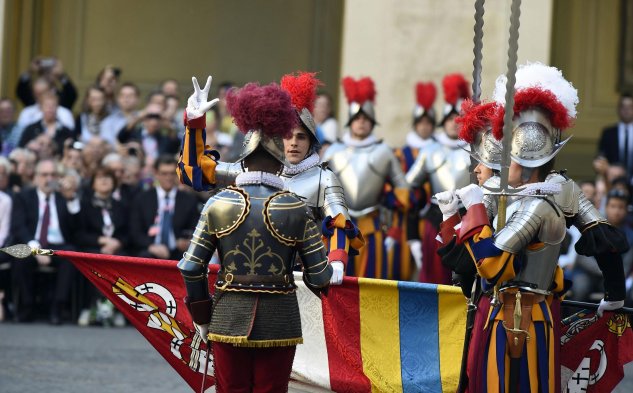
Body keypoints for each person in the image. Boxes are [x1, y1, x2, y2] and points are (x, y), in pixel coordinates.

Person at [450, 63, 627, 392]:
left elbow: (484, 262)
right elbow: (602, 240)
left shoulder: (541, 202)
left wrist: (474, 210)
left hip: (521, 316)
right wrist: (613, 295)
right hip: (503, 307)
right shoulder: (536, 191)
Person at [178, 80, 333, 393]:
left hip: (226, 314)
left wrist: (202, 316)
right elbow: (320, 277)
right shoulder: (296, 206)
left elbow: (191, 267)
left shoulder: (219, 202)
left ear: (243, 159)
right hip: (281, 317)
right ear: (279, 161)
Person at [177, 73, 362, 286]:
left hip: (302, 279)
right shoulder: (249, 171)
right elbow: (193, 171)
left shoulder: (323, 178)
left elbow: (340, 221)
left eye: (301, 137)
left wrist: (337, 260)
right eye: (288, 136)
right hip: (245, 275)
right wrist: (194, 121)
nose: (293, 143)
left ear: (311, 142)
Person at [322, 76, 410, 279]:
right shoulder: (334, 151)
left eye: (366, 119)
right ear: (350, 122)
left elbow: (403, 191)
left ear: (372, 122)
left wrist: (391, 204)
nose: (361, 122)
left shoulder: (384, 152)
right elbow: (320, 187)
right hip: (339, 226)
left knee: (373, 283)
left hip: (373, 227)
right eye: (357, 118)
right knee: (338, 282)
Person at [405, 73, 472, 284]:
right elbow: (409, 185)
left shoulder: (475, 151)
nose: (454, 123)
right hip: (436, 220)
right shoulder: (430, 150)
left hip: (468, 220)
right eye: (450, 119)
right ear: (443, 122)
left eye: (459, 119)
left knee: (463, 278)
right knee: (434, 278)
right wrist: (412, 230)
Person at [10, 159, 79, 324]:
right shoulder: (24, 197)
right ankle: (27, 306)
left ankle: (57, 308)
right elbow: (19, 226)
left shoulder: (65, 198)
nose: (49, 179)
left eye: (53, 175)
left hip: (59, 246)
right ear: (36, 177)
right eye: (44, 175)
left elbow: (76, 230)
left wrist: (71, 200)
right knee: (20, 256)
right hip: (33, 243)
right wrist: (36, 249)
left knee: (70, 256)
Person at [386, 81, 438, 280]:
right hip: (404, 218)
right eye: (421, 123)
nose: (424, 127)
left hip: (430, 219)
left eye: (428, 123)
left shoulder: (439, 152)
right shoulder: (401, 153)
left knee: (429, 273)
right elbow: (394, 185)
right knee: (400, 272)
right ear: (415, 124)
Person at [129, 155, 198, 260]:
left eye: (172, 174)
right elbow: (135, 231)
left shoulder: (189, 200)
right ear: (156, 174)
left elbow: (195, 229)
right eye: (164, 173)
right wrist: (151, 246)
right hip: (149, 251)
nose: (168, 178)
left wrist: (187, 242)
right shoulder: (142, 199)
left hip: (179, 253)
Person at [596, 93, 633, 181]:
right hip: (612, 181)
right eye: (623, 107)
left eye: (630, 107)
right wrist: (606, 167)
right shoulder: (608, 133)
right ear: (618, 109)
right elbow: (601, 157)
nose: (626, 110)